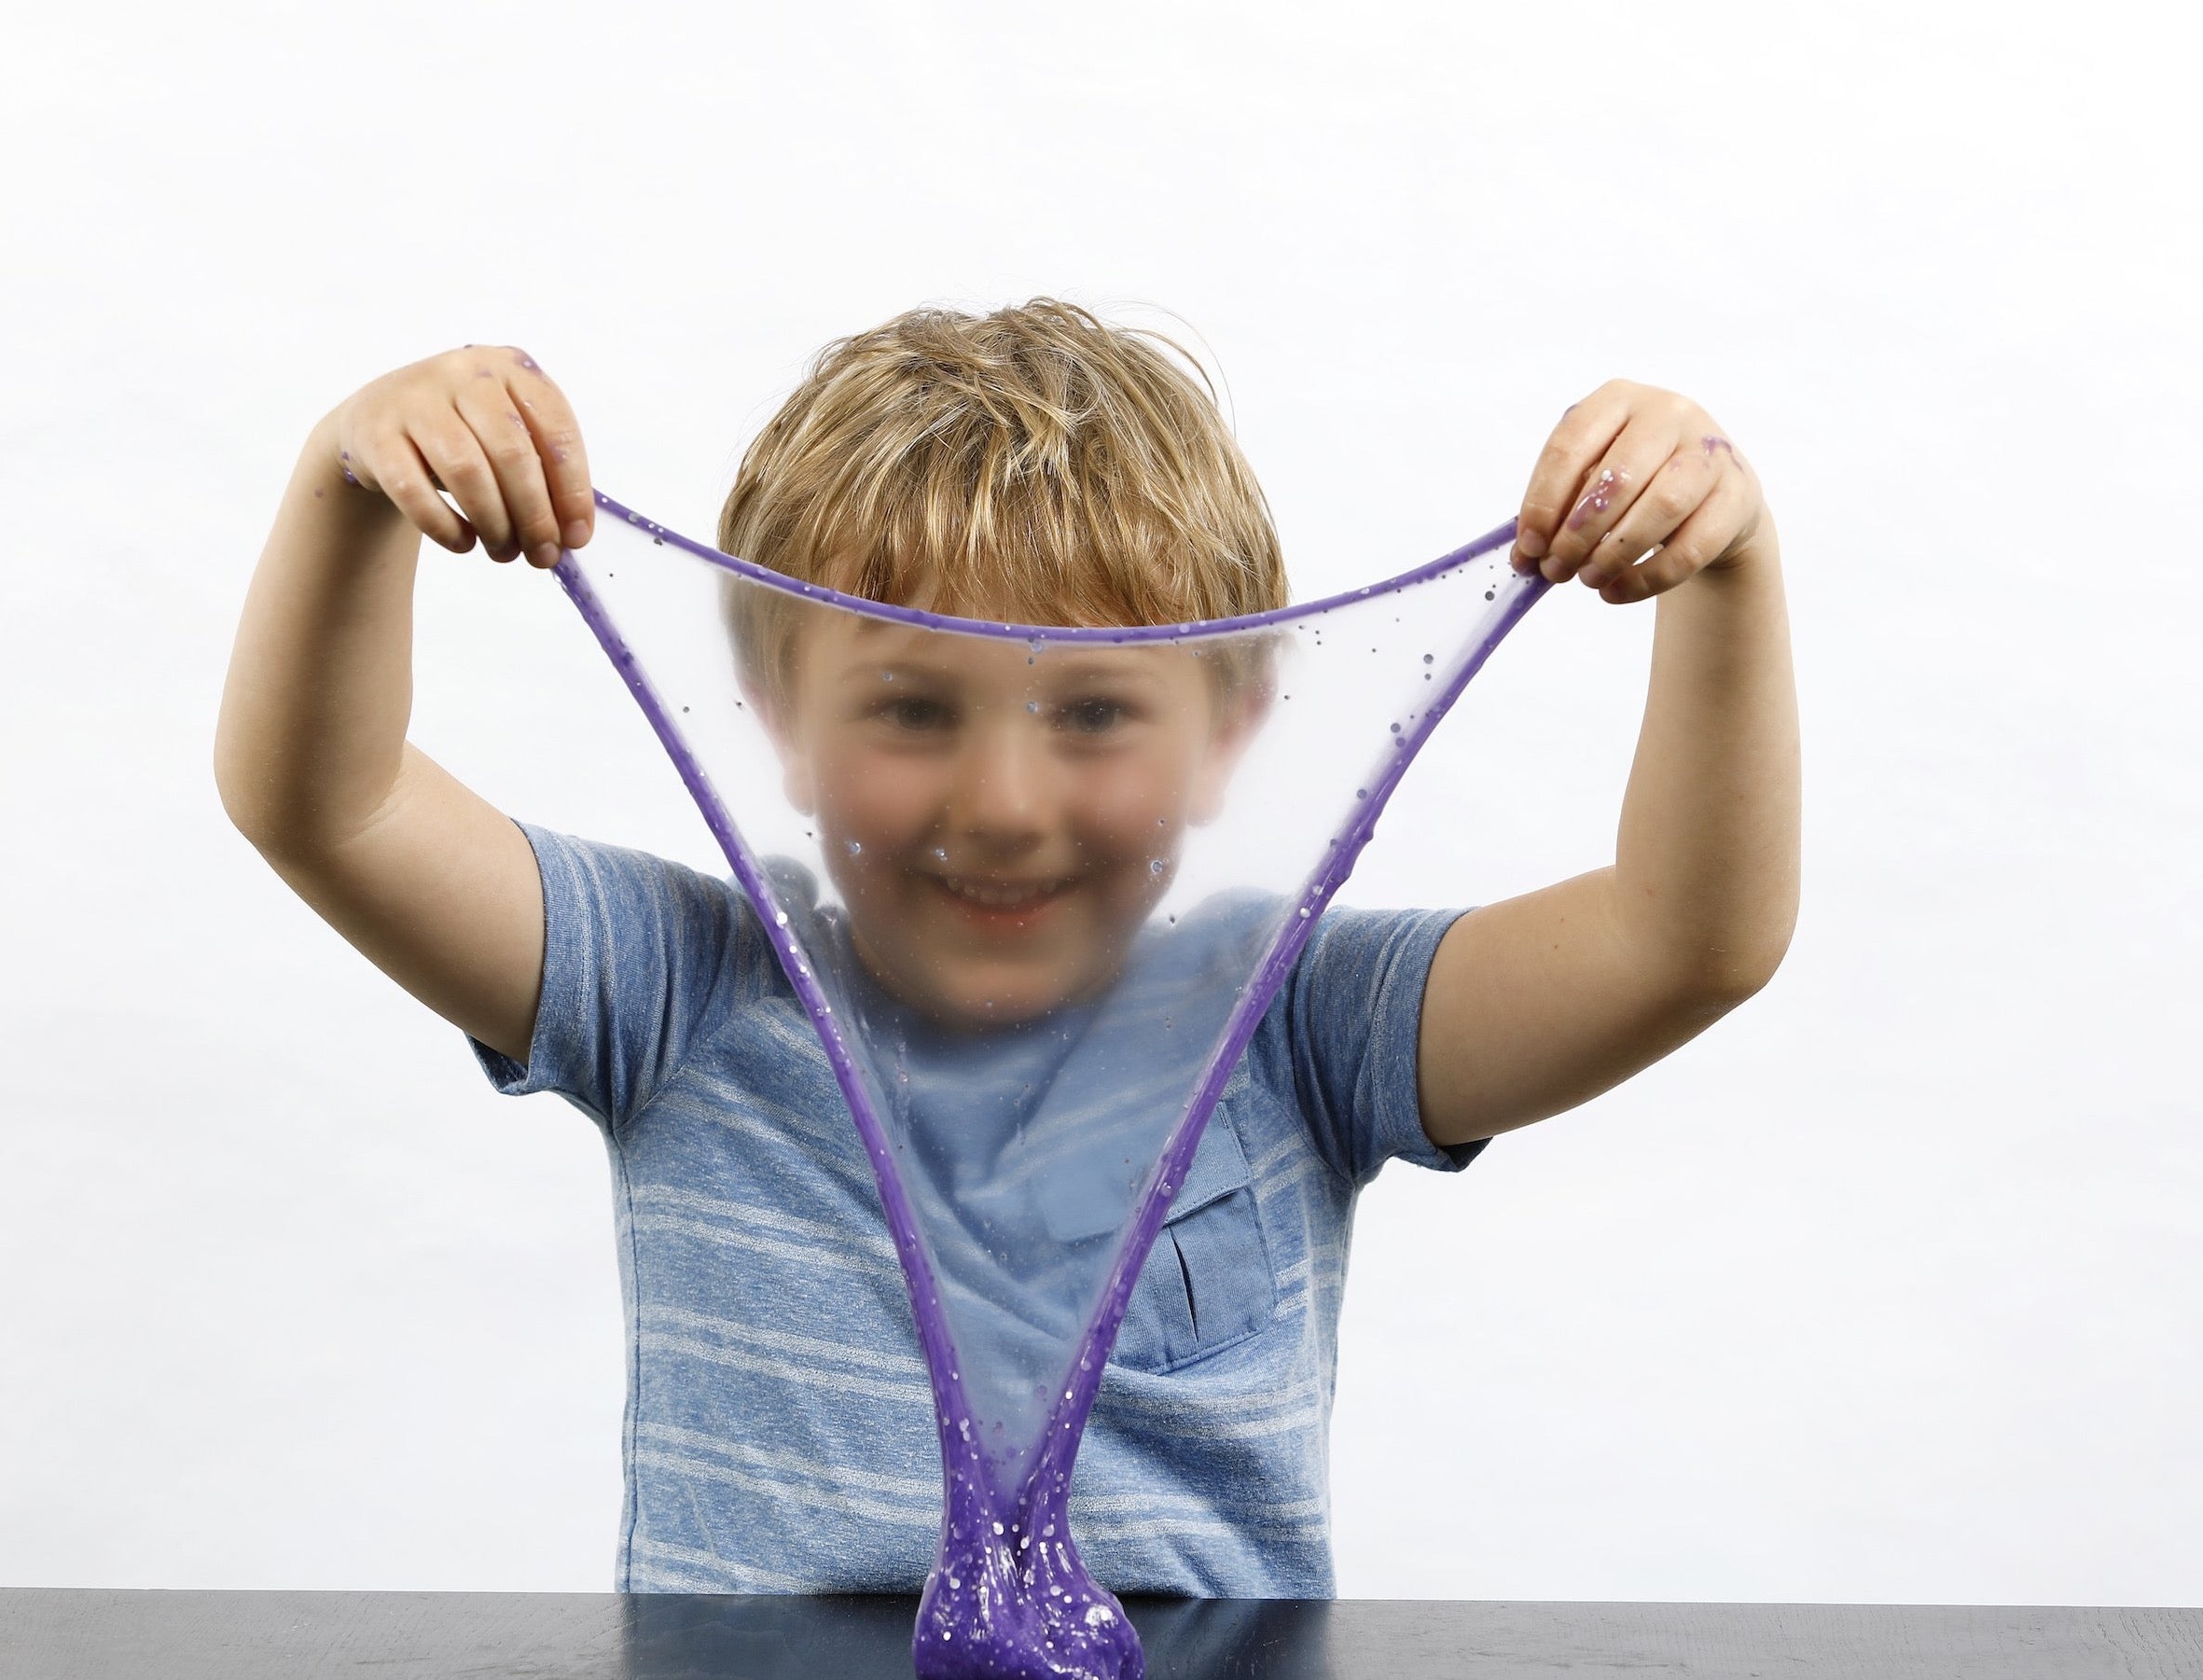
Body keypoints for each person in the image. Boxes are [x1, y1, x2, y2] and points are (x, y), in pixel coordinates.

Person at [213, 300, 1799, 1595]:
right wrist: (347, 485)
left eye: (1097, 712)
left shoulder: (1298, 1022)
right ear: (773, 717)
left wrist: (1726, 574)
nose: (1005, 804)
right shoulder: (684, 990)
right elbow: (325, 806)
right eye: (911, 709)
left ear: (1231, 727)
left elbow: (1689, 941)